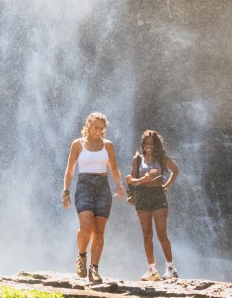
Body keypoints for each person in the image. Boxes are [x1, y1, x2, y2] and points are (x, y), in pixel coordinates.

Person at [62, 111, 126, 283]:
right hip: (84, 186)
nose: (99, 131)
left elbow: (113, 168)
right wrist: (66, 191)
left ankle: (94, 269)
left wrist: (119, 185)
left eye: (102, 128)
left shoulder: (108, 145)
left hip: (103, 188)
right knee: (86, 226)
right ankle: (82, 257)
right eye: (96, 127)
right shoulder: (77, 144)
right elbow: (70, 170)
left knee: (99, 231)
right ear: (88, 125)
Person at [126, 129, 180, 281]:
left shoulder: (162, 157)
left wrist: (166, 186)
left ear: (156, 145)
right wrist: (144, 179)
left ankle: (170, 268)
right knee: (147, 234)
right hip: (142, 196)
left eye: (152, 143)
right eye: (146, 143)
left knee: (161, 233)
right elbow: (132, 181)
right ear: (143, 144)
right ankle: (151, 270)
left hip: (158, 196)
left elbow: (175, 171)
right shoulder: (137, 159)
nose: (149, 146)